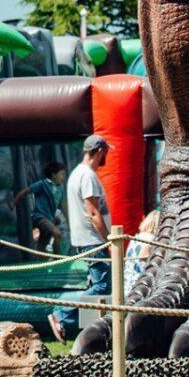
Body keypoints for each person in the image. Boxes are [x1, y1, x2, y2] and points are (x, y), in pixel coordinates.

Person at [50, 134, 113, 342]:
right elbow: (94, 213)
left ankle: (89, 333)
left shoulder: (77, 173)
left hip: (85, 240)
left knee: (96, 288)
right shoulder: (87, 176)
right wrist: (110, 240)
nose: (107, 157)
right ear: (100, 151)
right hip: (93, 241)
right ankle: (61, 314)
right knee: (102, 287)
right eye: (106, 152)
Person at [13, 161, 64, 251]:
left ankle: (40, 260)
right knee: (57, 233)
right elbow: (25, 191)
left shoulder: (60, 188)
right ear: (54, 175)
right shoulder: (42, 184)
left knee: (43, 242)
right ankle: (59, 259)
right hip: (40, 217)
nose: (63, 177)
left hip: (50, 218)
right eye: (61, 174)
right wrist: (14, 202)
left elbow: (63, 205)